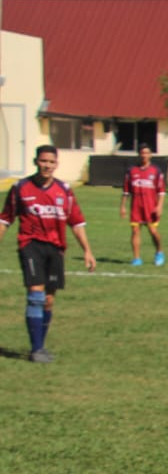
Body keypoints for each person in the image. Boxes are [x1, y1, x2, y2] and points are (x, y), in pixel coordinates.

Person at [0, 145, 97, 363]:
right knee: (36, 294)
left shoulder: (64, 190)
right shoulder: (20, 188)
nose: (47, 166)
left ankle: (40, 346)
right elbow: (5, 219)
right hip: (30, 244)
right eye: (43, 161)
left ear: (56, 164)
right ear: (36, 162)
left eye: (51, 162)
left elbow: (77, 223)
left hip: (55, 248)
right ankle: (36, 350)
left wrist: (87, 251)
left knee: (49, 300)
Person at [120, 145, 166, 267]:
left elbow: (161, 192)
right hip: (136, 206)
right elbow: (126, 191)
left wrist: (160, 206)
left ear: (150, 155)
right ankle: (136, 258)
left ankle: (159, 252)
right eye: (142, 153)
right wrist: (123, 206)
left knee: (153, 231)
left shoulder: (156, 171)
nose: (144, 155)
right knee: (135, 231)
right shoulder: (131, 171)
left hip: (150, 207)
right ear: (139, 155)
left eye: (147, 153)